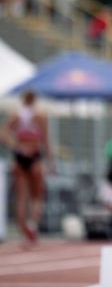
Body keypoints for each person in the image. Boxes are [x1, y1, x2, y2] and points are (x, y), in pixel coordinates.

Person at [0, 90, 53, 243]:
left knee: (21, 196)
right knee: (37, 195)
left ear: (23, 100)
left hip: (19, 156)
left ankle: (23, 229)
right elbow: (46, 140)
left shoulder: (16, 115)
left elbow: (3, 135)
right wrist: (50, 161)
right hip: (34, 155)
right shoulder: (40, 116)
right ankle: (32, 225)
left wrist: (16, 146)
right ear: (35, 100)